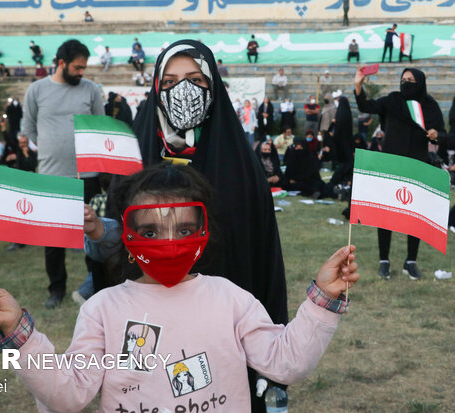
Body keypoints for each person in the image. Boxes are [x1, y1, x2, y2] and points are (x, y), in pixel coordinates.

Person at [0, 162, 359, 412]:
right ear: (127, 234)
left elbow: (286, 361)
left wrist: (322, 300)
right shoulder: (102, 309)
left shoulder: (230, 298)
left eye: (184, 229)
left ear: (204, 233)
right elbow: (66, 393)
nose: (170, 242)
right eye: (151, 230)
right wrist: (19, 334)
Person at [102, 40, 291, 411]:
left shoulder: (240, 162)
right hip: (147, 323)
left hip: (220, 325)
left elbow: (263, 255)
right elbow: (112, 245)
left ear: (213, 86)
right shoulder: (134, 155)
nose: (182, 90)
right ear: (155, 89)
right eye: (170, 81)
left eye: (194, 79)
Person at [20, 39, 104, 309]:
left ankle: (96, 286)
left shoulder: (91, 90)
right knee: (53, 238)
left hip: (87, 176)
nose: (82, 72)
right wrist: (52, 149)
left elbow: (99, 127)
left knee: (92, 234)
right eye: (78, 67)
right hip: (51, 175)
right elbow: (29, 129)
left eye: (84, 67)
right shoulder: (36, 90)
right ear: (60, 63)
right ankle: (56, 289)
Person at [355, 66, 445, 280]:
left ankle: (410, 261)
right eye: (403, 79)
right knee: (385, 215)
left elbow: (442, 134)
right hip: (391, 165)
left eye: (411, 79)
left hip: (417, 164)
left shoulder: (429, 105)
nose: (406, 82)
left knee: (415, 215)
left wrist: (435, 135)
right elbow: (366, 105)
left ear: (420, 82)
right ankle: (383, 260)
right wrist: (358, 84)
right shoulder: (392, 100)